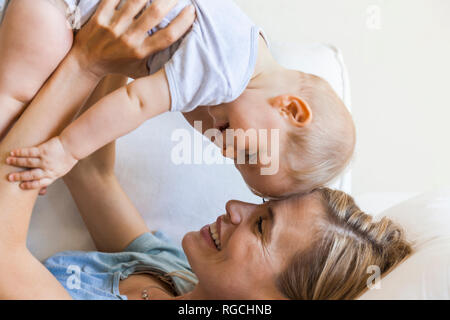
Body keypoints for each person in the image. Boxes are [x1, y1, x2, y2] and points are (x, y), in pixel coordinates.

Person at [2, 0, 355, 199]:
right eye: (250, 153)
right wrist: (66, 151)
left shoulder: (245, 45)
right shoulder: (224, 74)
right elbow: (135, 102)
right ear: (290, 108)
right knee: (16, 99)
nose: (228, 152)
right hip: (59, 9)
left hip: (73, 14)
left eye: (237, 164)